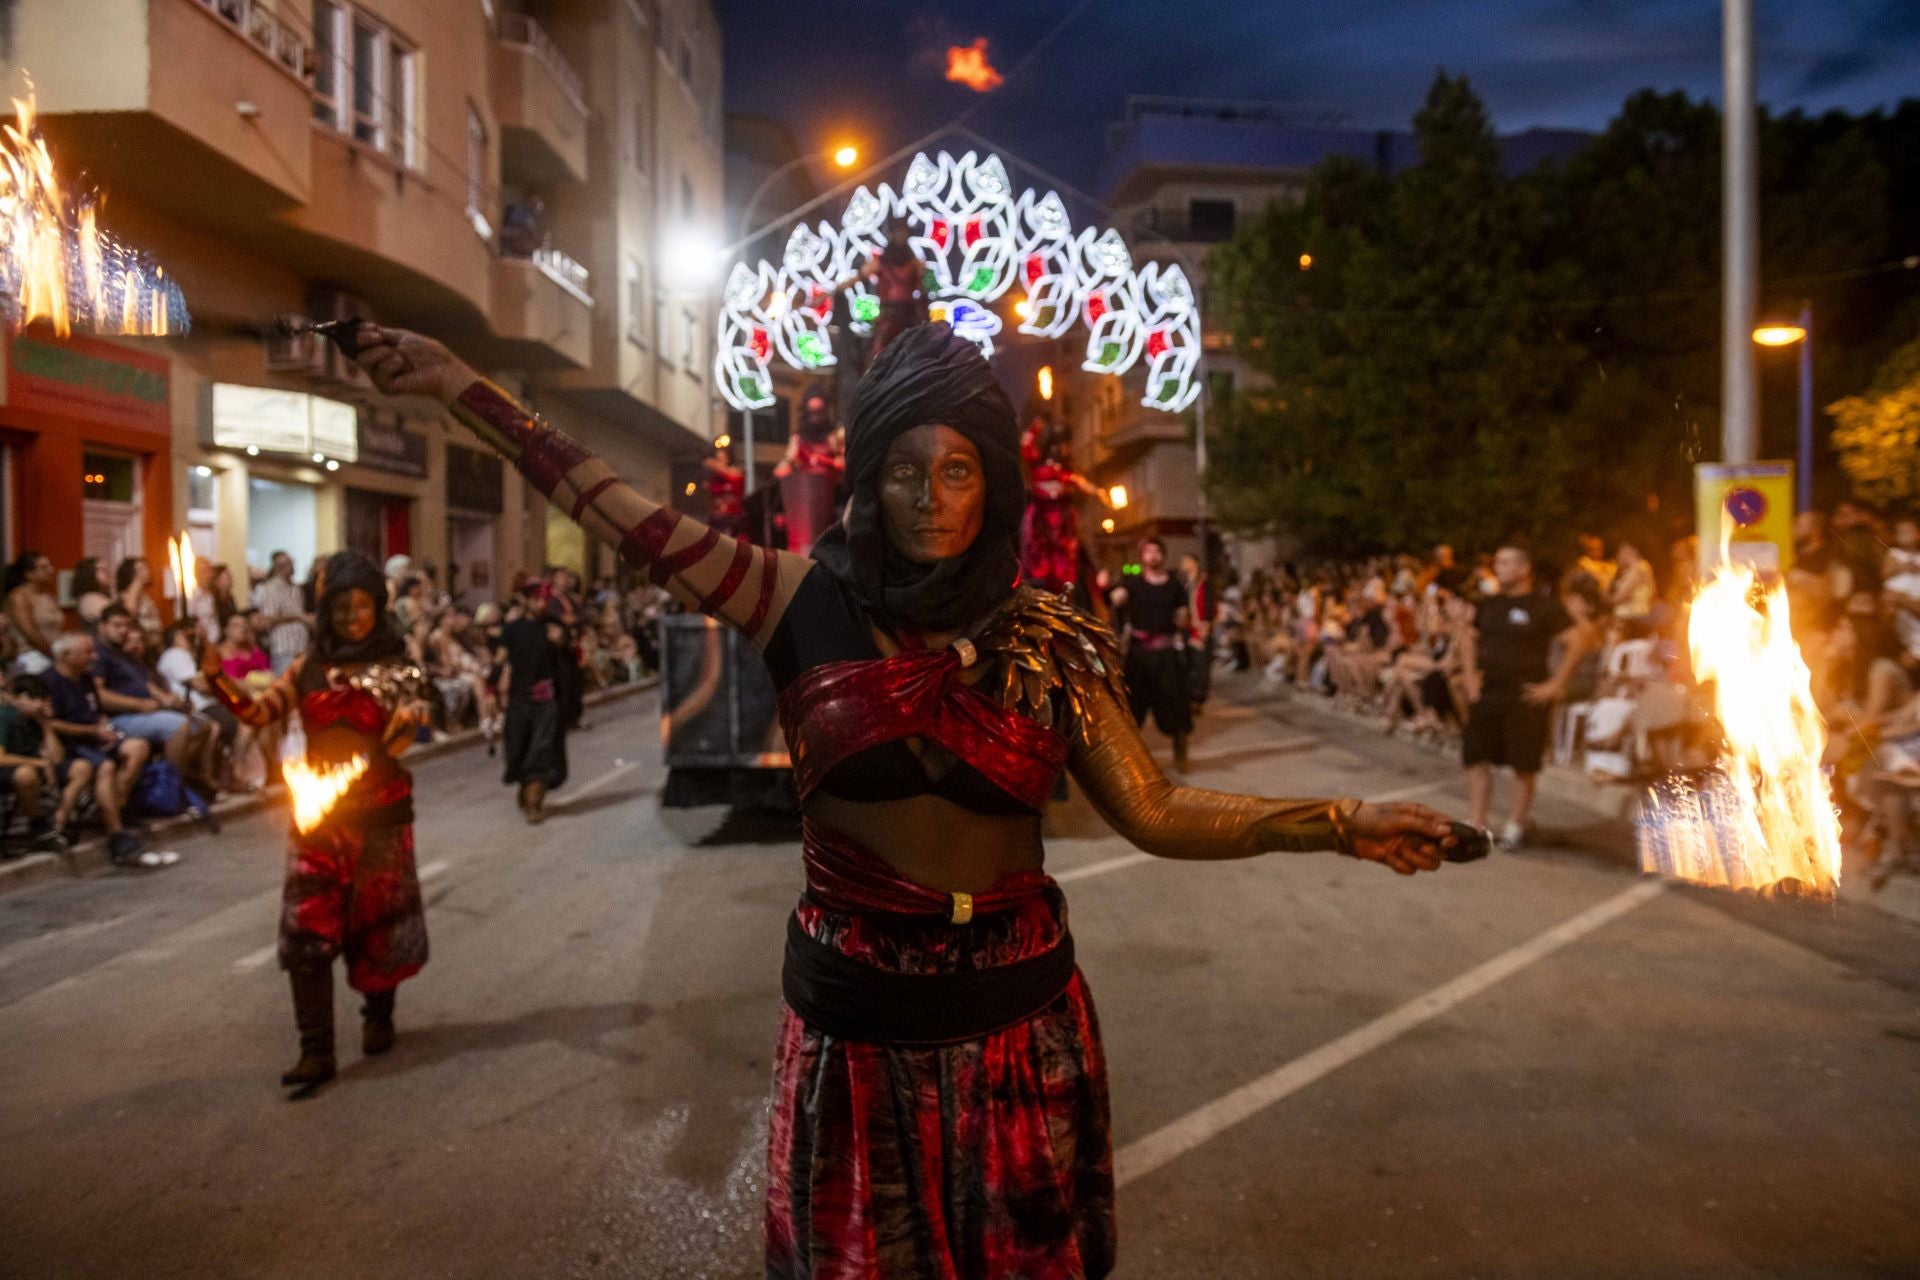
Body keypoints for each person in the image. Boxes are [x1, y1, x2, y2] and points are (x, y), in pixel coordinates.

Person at [348, 318, 1462, 1278]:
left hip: (1023, 1037)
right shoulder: (790, 598)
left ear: (996, 482)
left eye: (959, 468)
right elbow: (614, 508)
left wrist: (1340, 821)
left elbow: (1155, 808)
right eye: (903, 468)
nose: (930, 497)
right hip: (860, 1039)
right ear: (867, 477)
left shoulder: (1049, 638)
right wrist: (456, 380)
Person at [204, 552, 432, 1094]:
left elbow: (408, 731)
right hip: (319, 819)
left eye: (363, 607)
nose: (352, 618)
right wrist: (217, 678)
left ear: (379, 608)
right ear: (325, 611)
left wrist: (407, 723)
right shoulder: (306, 668)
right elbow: (258, 712)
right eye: (341, 607)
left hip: (380, 814)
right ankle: (316, 1051)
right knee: (305, 928)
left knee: (378, 926)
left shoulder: (401, 666)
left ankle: (378, 1015)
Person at [1460, 543, 1600, 848]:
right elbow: (1468, 636)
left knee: (1523, 765)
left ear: (1524, 569)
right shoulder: (1489, 605)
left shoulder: (1543, 607)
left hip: (1525, 695)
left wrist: (1555, 683)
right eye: (1498, 562)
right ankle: (1476, 823)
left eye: (1507, 563)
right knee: (1476, 757)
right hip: (1489, 691)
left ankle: (1515, 825)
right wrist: (1469, 674)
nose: (1499, 568)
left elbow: (1580, 640)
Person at [42, 632, 149, 863]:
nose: (94, 656)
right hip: (70, 744)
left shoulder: (85, 678)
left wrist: (104, 728)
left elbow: (96, 712)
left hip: (94, 738)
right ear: (66, 656)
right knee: (106, 767)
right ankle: (116, 834)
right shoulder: (49, 682)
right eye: (87, 652)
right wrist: (91, 731)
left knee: (137, 747)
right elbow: (50, 723)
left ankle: (113, 807)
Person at [93, 604, 216, 796]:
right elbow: (99, 694)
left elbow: (147, 685)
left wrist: (169, 700)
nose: (123, 630)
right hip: (120, 717)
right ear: (102, 626)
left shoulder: (125, 654)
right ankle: (171, 788)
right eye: (117, 626)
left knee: (203, 726)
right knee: (178, 726)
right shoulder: (100, 654)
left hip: (147, 711)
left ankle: (177, 776)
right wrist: (140, 705)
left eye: (126, 625)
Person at [1112, 537, 1195, 772]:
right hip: (1139, 656)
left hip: (1166, 654)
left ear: (1163, 554)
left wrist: (1181, 622)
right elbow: (1116, 599)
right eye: (1148, 551)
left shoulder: (1175, 585)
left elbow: (1181, 615)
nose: (1152, 556)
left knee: (1176, 705)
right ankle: (1128, 762)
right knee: (1131, 709)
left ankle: (1181, 753)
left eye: (1157, 551)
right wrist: (1110, 590)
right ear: (1142, 557)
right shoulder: (1133, 583)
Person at [492, 582, 568, 822]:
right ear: (525, 600)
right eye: (536, 598)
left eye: (544, 599)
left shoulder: (553, 627)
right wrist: (492, 689)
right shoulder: (513, 629)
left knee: (541, 748)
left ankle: (535, 799)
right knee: (517, 748)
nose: (541, 604)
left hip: (545, 699)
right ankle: (525, 787)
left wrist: (561, 643)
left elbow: (569, 661)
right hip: (518, 698)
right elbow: (501, 659)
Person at [1017, 415, 1109, 597]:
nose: (1064, 449)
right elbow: (1025, 446)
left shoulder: (1067, 473)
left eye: (1067, 444)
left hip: (1062, 528)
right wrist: (1036, 425)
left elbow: (1082, 483)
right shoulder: (1037, 464)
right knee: (1038, 568)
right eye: (1060, 444)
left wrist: (1100, 492)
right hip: (1039, 526)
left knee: (1065, 569)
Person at [0, 674, 71, 852]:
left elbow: (57, 758)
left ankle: (59, 820)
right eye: (33, 698)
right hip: (12, 769)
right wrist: (38, 763)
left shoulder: (35, 721)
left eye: (41, 699)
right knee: (26, 774)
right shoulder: (6, 717)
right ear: (21, 697)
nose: (38, 704)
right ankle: (37, 822)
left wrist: (46, 725)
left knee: (81, 768)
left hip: (34, 766)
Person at [773, 385, 845, 556]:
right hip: (803, 501)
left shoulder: (834, 436)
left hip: (831, 498)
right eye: (812, 413)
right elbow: (787, 463)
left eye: (819, 413)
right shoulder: (798, 438)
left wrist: (820, 460)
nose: (815, 418)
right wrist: (785, 468)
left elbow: (843, 463)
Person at [252, 550, 312, 675]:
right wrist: (299, 617)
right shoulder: (271, 589)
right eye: (289, 564)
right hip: (284, 648)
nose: (292, 567)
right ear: (279, 567)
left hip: (301, 647)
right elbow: (269, 618)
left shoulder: (296, 589)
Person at [4, 551, 64, 675]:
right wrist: (52, 653)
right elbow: (29, 632)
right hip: (29, 656)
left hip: (54, 654)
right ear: (29, 574)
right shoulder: (19, 596)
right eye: (43, 568)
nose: (50, 570)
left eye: (49, 566)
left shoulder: (48, 596)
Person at [113, 556, 164, 647]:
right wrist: (137, 582)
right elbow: (129, 614)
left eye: (146, 567)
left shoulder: (146, 598)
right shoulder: (126, 595)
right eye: (141, 569)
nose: (147, 571)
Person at [703, 441, 748, 539]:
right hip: (717, 520)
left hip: (734, 518)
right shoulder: (714, 479)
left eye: (723, 457)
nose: (720, 460)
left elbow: (735, 477)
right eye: (718, 457)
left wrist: (714, 464)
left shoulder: (736, 473)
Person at [69, 557, 111, 627]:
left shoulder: (99, 596)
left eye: (107, 570)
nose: (107, 573)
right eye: (102, 570)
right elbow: (117, 616)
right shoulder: (89, 599)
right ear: (88, 572)